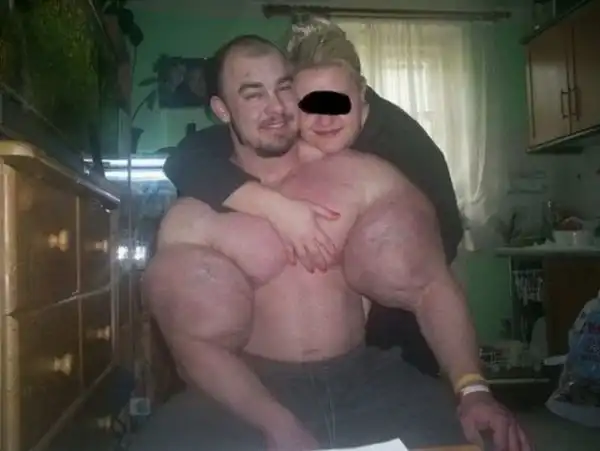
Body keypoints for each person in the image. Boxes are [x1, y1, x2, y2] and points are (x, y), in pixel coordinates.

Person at [133, 35, 531, 451]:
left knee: (482, 440)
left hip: (365, 376)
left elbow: (432, 284)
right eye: (253, 95)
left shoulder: (367, 176)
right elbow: (193, 345)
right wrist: (277, 425)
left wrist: (473, 391)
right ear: (222, 109)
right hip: (252, 390)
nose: (275, 106)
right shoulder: (192, 216)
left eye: (284, 87)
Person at [163, 22, 460, 377]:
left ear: (362, 95)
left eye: (336, 103)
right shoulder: (282, 134)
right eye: (308, 104)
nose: (323, 120)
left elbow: (437, 251)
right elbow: (185, 160)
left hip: (399, 336)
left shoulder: (401, 151)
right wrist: (277, 209)